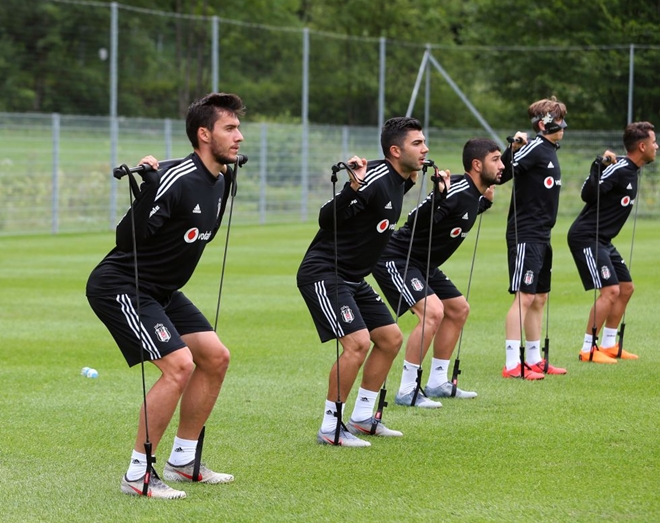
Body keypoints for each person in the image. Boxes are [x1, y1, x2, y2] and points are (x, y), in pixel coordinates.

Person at [86, 92, 245, 498]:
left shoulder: (223, 181)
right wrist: (149, 192)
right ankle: (138, 475)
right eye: (230, 128)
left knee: (216, 357)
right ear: (204, 134)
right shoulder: (176, 178)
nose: (239, 136)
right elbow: (126, 240)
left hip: (163, 291)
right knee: (178, 366)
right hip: (122, 285)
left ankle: (184, 461)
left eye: (238, 128)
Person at [296, 117, 444, 447]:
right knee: (358, 343)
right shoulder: (373, 177)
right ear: (395, 151)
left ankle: (363, 418)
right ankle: (330, 428)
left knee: (390, 339)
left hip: (353, 277)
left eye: (424, 142)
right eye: (417, 143)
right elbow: (326, 218)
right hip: (325, 272)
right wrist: (352, 186)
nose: (425, 148)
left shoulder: (400, 179)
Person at [372, 138, 503, 407]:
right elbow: (416, 220)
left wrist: (485, 203)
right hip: (398, 258)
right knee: (432, 312)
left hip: (425, 265)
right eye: (496, 160)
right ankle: (408, 390)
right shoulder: (456, 189)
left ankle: (438, 382)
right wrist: (438, 197)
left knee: (458, 309)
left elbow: (462, 211)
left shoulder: (474, 193)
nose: (502, 166)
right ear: (477, 165)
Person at [568, 121, 657, 363]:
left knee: (626, 288)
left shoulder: (632, 170)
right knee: (610, 290)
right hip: (586, 236)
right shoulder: (618, 168)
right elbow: (587, 193)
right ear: (642, 146)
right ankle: (588, 349)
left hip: (604, 239)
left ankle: (608, 344)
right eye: (654, 142)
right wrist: (599, 164)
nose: (656, 146)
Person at [499, 96, 568, 380]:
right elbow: (501, 173)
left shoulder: (549, 150)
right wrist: (512, 148)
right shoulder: (535, 147)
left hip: (543, 234)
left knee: (540, 297)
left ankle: (534, 359)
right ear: (543, 124)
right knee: (525, 297)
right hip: (525, 233)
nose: (563, 126)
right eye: (557, 120)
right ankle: (511, 364)